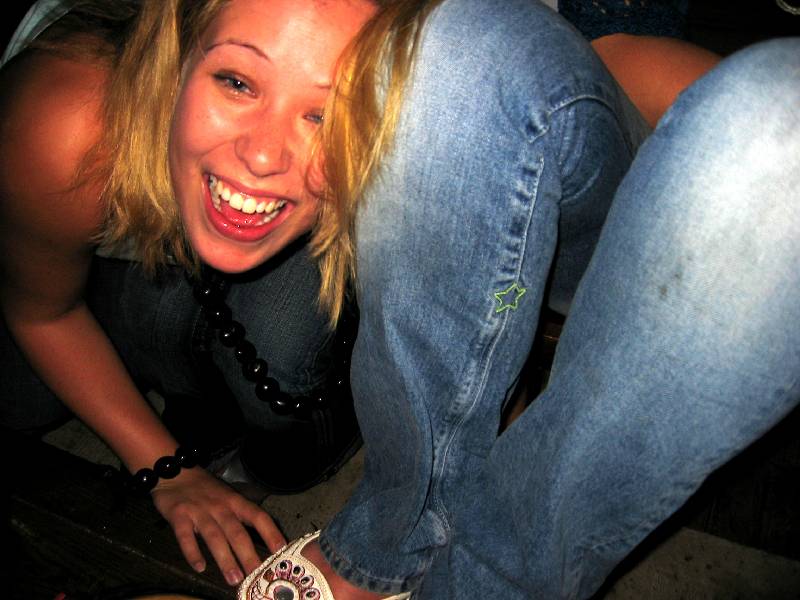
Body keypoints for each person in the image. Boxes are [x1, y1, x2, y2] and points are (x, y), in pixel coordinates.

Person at [236, 0, 799, 599]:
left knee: (775, 135)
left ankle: (493, 579)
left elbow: (629, 57)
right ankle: (400, 527)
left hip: (616, 154)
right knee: (455, 59)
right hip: (466, 137)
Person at [0, 0, 379, 587]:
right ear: (173, 50)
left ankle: (215, 412)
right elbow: (43, 313)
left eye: (325, 114)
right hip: (57, 227)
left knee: (287, 365)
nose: (262, 156)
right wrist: (167, 472)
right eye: (236, 82)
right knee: (20, 401)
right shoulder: (66, 124)